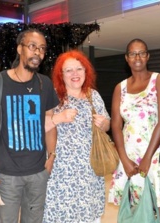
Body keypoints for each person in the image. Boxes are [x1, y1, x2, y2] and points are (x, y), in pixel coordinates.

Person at [0, 28, 76, 223]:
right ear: (19, 49)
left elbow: (50, 122)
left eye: (42, 48)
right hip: (7, 174)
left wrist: (52, 156)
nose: (38, 52)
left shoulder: (44, 84)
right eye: (32, 46)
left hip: (38, 172)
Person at [42, 50, 110, 223]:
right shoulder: (52, 96)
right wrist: (59, 117)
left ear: (85, 72)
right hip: (61, 172)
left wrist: (104, 124)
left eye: (79, 69)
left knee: (89, 215)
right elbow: (38, 128)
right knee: (60, 215)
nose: (75, 74)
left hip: (90, 171)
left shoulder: (92, 95)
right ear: (61, 75)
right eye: (68, 70)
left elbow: (107, 123)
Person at [108, 38, 160, 222]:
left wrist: (148, 158)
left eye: (142, 52)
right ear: (126, 58)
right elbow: (116, 126)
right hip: (130, 156)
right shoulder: (121, 88)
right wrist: (124, 159)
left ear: (148, 56)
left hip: (155, 154)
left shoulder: (159, 80)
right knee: (136, 206)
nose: (137, 57)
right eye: (133, 53)